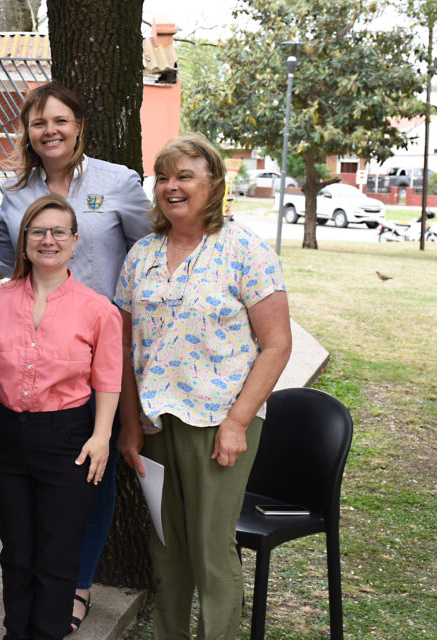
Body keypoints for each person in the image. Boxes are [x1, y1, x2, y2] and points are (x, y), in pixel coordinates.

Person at [0, 81, 152, 631]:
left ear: (79, 125)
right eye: (38, 122)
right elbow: (2, 262)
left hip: (104, 343)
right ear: (27, 132)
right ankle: (46, 591)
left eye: (60, 120)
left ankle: (76, 581)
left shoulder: (117, 182)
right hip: (37, 350)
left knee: (94, 463)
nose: (49, 131)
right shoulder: (15, 193)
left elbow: (151, 246)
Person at [115, 133, 291, 640]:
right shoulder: (141, 255)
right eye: (163, 177)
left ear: (213, 183)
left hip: (218, 426)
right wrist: (129, 424)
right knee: (167, 553)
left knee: (211, 553)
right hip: (153, 424)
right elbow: (123, 351)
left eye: (185, 175)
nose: (171, 186)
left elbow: (276, 345)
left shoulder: (246, 252)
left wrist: (238, 422)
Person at [0, 194, 121, 640]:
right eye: (38, 231)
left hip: (68, 439)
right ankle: (18, 631)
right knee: (16, 550)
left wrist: (102, 436)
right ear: (24, 240)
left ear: (74, 242)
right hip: (8, 436)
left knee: (57, 553)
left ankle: (48, 632)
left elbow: (108, 377)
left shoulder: (97, 309)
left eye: (58, 232)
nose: (47, 240)